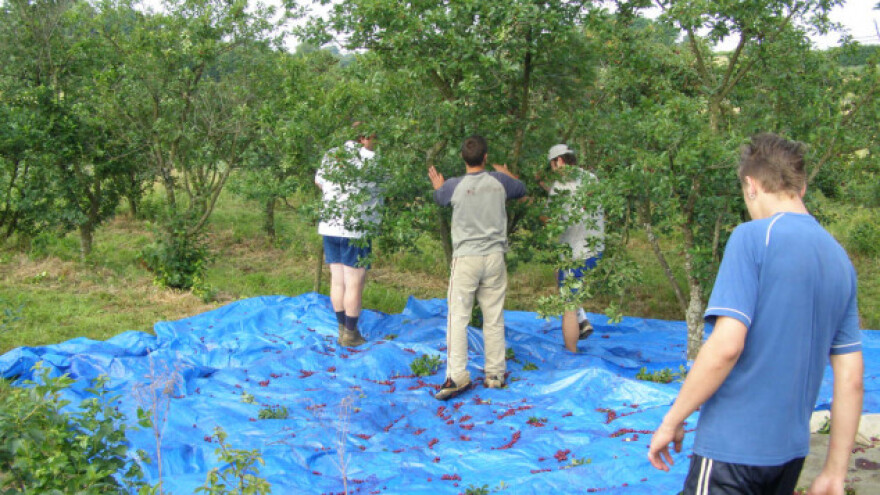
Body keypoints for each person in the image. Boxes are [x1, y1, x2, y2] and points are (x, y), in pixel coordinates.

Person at [648, 133, 863, 495]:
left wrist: (673, 419)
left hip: (733, 449)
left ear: (751, 185)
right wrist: (834, 472)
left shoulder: (752, 237)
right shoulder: (840, 259)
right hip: (789, 456)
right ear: (802, 186)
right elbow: (852, 378)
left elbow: (727, 346)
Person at [428, 135, 526, 400]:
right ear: (485, 157)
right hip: (494, 257)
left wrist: (438, 186)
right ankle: (495, 373)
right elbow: (522, 188)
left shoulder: (452, 187)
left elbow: (439, 198)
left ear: (463, 158)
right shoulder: (500, 182)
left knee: (458, 318)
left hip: (466, 259)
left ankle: (457, 376)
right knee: (493, 317)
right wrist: (505, 171)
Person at [315, 125, 382, 347]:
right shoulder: (371, 159)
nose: (375, 141)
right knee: (354, 283)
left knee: (337, 280)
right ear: (364, 137)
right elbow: (387, 185)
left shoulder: (332, 154)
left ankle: (342, 330)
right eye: (373, 137)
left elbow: (319, 182)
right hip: (356, 229)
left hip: (330, 226)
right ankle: (351, 335)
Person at [542, 144, 605, 352]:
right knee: (560, 275)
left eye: (552, 165)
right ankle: (583, 320)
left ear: (559, 161)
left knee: (567, 304)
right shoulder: (590, 178)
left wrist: (530, 204)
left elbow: (550, 220)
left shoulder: (560, 187)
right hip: (595, 248)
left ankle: (571, 353)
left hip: (575, 253)